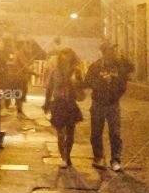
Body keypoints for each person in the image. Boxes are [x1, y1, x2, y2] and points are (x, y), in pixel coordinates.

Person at [84, 39, 134, 171]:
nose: (113, 52)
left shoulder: (120, 65)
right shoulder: (95, 66)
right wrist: (101, 83)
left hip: (113, 104)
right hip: (98, 103)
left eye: (114, 50)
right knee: (96, 132)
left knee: (115, 133)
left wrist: (122, 56)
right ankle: (98, 157)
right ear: (104, 52)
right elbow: (87, 81)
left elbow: (131, 68)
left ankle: (115, 160)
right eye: (110, 50)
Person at [43, 47, 84, 167]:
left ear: (72, 58)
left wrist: (77, 83)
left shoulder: (76, 72)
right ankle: (63, 157)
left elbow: (81, 87)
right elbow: (49, 88)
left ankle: (68, 155)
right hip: (58, 104)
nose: (66, 58)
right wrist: (46, 103)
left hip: (70, 103)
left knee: (70, 133)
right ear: (60, 58)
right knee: (60, 133)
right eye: (63, 55)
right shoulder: (55, 72)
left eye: (68, 55)